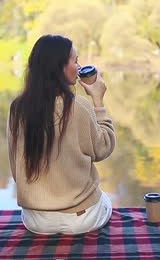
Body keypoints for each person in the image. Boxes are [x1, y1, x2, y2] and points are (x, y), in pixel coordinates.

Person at [7, 34, 116, 235]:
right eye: (75, 61)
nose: (80, 66)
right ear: (60, 68)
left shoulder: (17, 109)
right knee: (106, 199)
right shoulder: (79, 106)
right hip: (81, 219)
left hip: (36, 221)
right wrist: (98, 101)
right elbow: (104, 147)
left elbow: (16, 170)